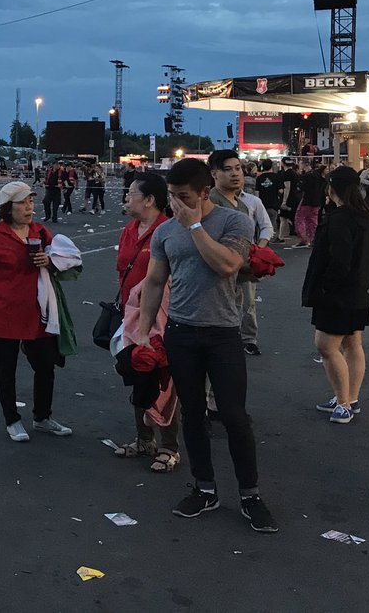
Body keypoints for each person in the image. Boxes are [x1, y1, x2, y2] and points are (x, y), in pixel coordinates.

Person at [138, 159, 278, 533]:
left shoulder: (235, 222)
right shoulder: (165, 231)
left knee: (234, 416)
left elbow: (229, 265)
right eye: (171, 196)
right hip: (181, 333)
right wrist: (143, 331)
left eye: (183, 197)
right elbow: (154, 282)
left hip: (222, 333)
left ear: (204, 193)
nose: (176, 204)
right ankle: (204, 487)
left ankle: (250, 494)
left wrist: (195, 226)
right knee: (193, 415)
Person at [0, 181, 71, 442]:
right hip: (6, 311)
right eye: (23, 202)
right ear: (8, 208)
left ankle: (42, 417)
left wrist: (49, 262)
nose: (30, 207)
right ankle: (12, 420)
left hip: (38, 311)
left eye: (31, 201)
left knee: (45, 366)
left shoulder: (40, 232)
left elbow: (60, 261)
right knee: (6, 368)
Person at [112, 172, 179, 472]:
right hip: (132, 317)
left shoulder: (170, 230)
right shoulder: (129, 230)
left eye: (131, 193)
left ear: (150, 200)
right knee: (137, 371)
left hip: (165, 317)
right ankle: (144, 440)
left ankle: (169, 446)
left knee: (165, 382)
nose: (126, 198)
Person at [302, 166, 369, 425]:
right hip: (359, 291)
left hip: (337, 295)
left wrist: (325, 287)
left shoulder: (339, 218)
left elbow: (339, 260)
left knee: (326, 346)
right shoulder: (364, 216)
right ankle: (349, 398)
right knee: (352, 343)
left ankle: (342, 403)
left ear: (331, 188)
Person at [207, 149, 274, 356]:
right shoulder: (212, 202)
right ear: (214, 174)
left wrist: (256, 262)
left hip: (238, 276)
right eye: (227, 169)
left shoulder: (243, 204)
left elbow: (255, 235)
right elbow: (214, 247)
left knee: (244, 308)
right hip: (218, 282)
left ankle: (245, 339)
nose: (235, 174)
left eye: (238, 168)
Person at [294, 163, 326, 247]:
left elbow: (300, 188)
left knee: (300, 219)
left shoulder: (306, 177)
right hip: (317, 202)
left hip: (306, 201)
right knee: (313, 221)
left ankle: (304, 239)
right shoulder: (321, 179)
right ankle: (313, 239)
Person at [254, 159, 283, 243]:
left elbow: (257, 193)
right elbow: (281, 191)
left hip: (262, 205)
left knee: (261, 225)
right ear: (272, 166)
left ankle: (261, 242)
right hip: (273, 204)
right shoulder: (277, 177)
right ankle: (267, 241)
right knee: (271, 224)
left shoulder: (259, 178)